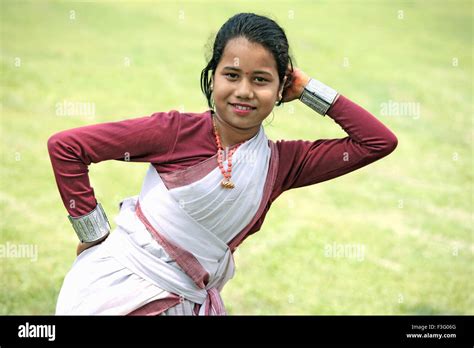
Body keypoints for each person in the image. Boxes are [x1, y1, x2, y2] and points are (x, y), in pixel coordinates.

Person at [47, 13, 397, 315]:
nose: (244, 90)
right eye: (232, 75)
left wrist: (308, 88)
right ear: (213, 77)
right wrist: (93, 235)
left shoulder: (282, 164)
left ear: (281, 89)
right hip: (114, 288)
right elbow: (67, 148)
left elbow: (377, 142)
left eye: (261, 79)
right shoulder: (174, 131)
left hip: (186, 301)